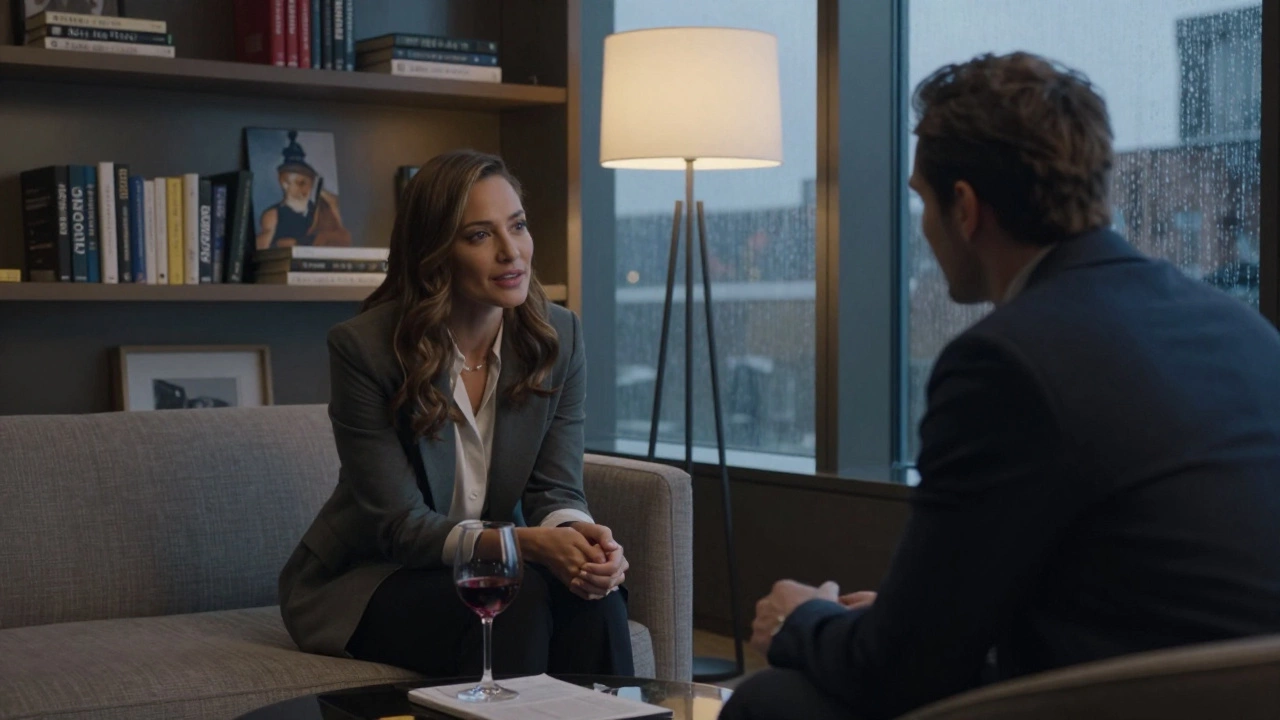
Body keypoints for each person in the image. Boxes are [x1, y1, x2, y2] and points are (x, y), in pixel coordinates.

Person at [722, 52, 1280, 720]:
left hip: (1117, 698)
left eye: (922, 201)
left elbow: (898, 675)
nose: (923, 229)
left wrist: (802, 620)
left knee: (773, 702)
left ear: (964, 206)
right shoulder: (1239, 328)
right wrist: (903, 619)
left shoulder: (1004, 361)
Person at [278, 149, 634, 677]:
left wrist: (583, 541)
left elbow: (556, 490)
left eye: (518, 226)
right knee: (518, 593)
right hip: (374, 575)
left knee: (594, 597)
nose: (512, 253)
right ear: (435, 251)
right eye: (480, 235)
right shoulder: (365, 349)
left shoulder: (558, 337)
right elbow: (400, 526)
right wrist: (527, 545)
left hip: (496, 566)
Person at [256, 130, 351, 249]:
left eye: (309, 183)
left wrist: (333, 206)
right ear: (285, 183)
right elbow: (262, 248)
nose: (306, 188)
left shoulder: (318, 211)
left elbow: (343, 239)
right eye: (300, 183)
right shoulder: (273, 215)